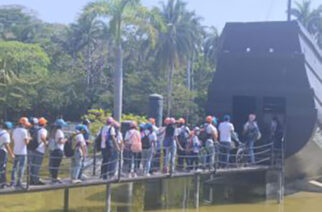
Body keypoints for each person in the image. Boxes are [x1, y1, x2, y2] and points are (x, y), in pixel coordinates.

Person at [11, 117, 31, 188]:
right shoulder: (24, 131)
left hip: (15, 151)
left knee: (14, 167)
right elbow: (26, 142)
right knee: (21, 167)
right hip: (22, 152)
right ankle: (19, 182)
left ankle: (12, 182)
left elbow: (13, 141)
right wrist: (29, 137)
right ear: (24, 124)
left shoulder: (15, 130)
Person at [29, 117, 48, 185]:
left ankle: (31, 180)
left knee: (32, 165)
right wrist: (46, 143)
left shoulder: (35, 129)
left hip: (33, 149)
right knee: (37, 166)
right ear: (43, 123)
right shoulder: (43, 130)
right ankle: (36, 181)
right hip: (40, 150)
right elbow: (43, 137)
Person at [48, 119, 68, 183]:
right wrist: (66, 140)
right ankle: (55, 178)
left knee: (53, 164)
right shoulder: (59, 131)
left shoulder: (53, 131)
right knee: (56, 165)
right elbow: (60, 141)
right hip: (58, 150)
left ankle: (53, 177)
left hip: (53, 150)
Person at [0, 122, 15, 189]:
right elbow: (7, 145)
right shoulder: (6, 134)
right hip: (2, 152)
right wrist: (11, 154)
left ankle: (3, 182)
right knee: (2, 167)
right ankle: (2, 183)